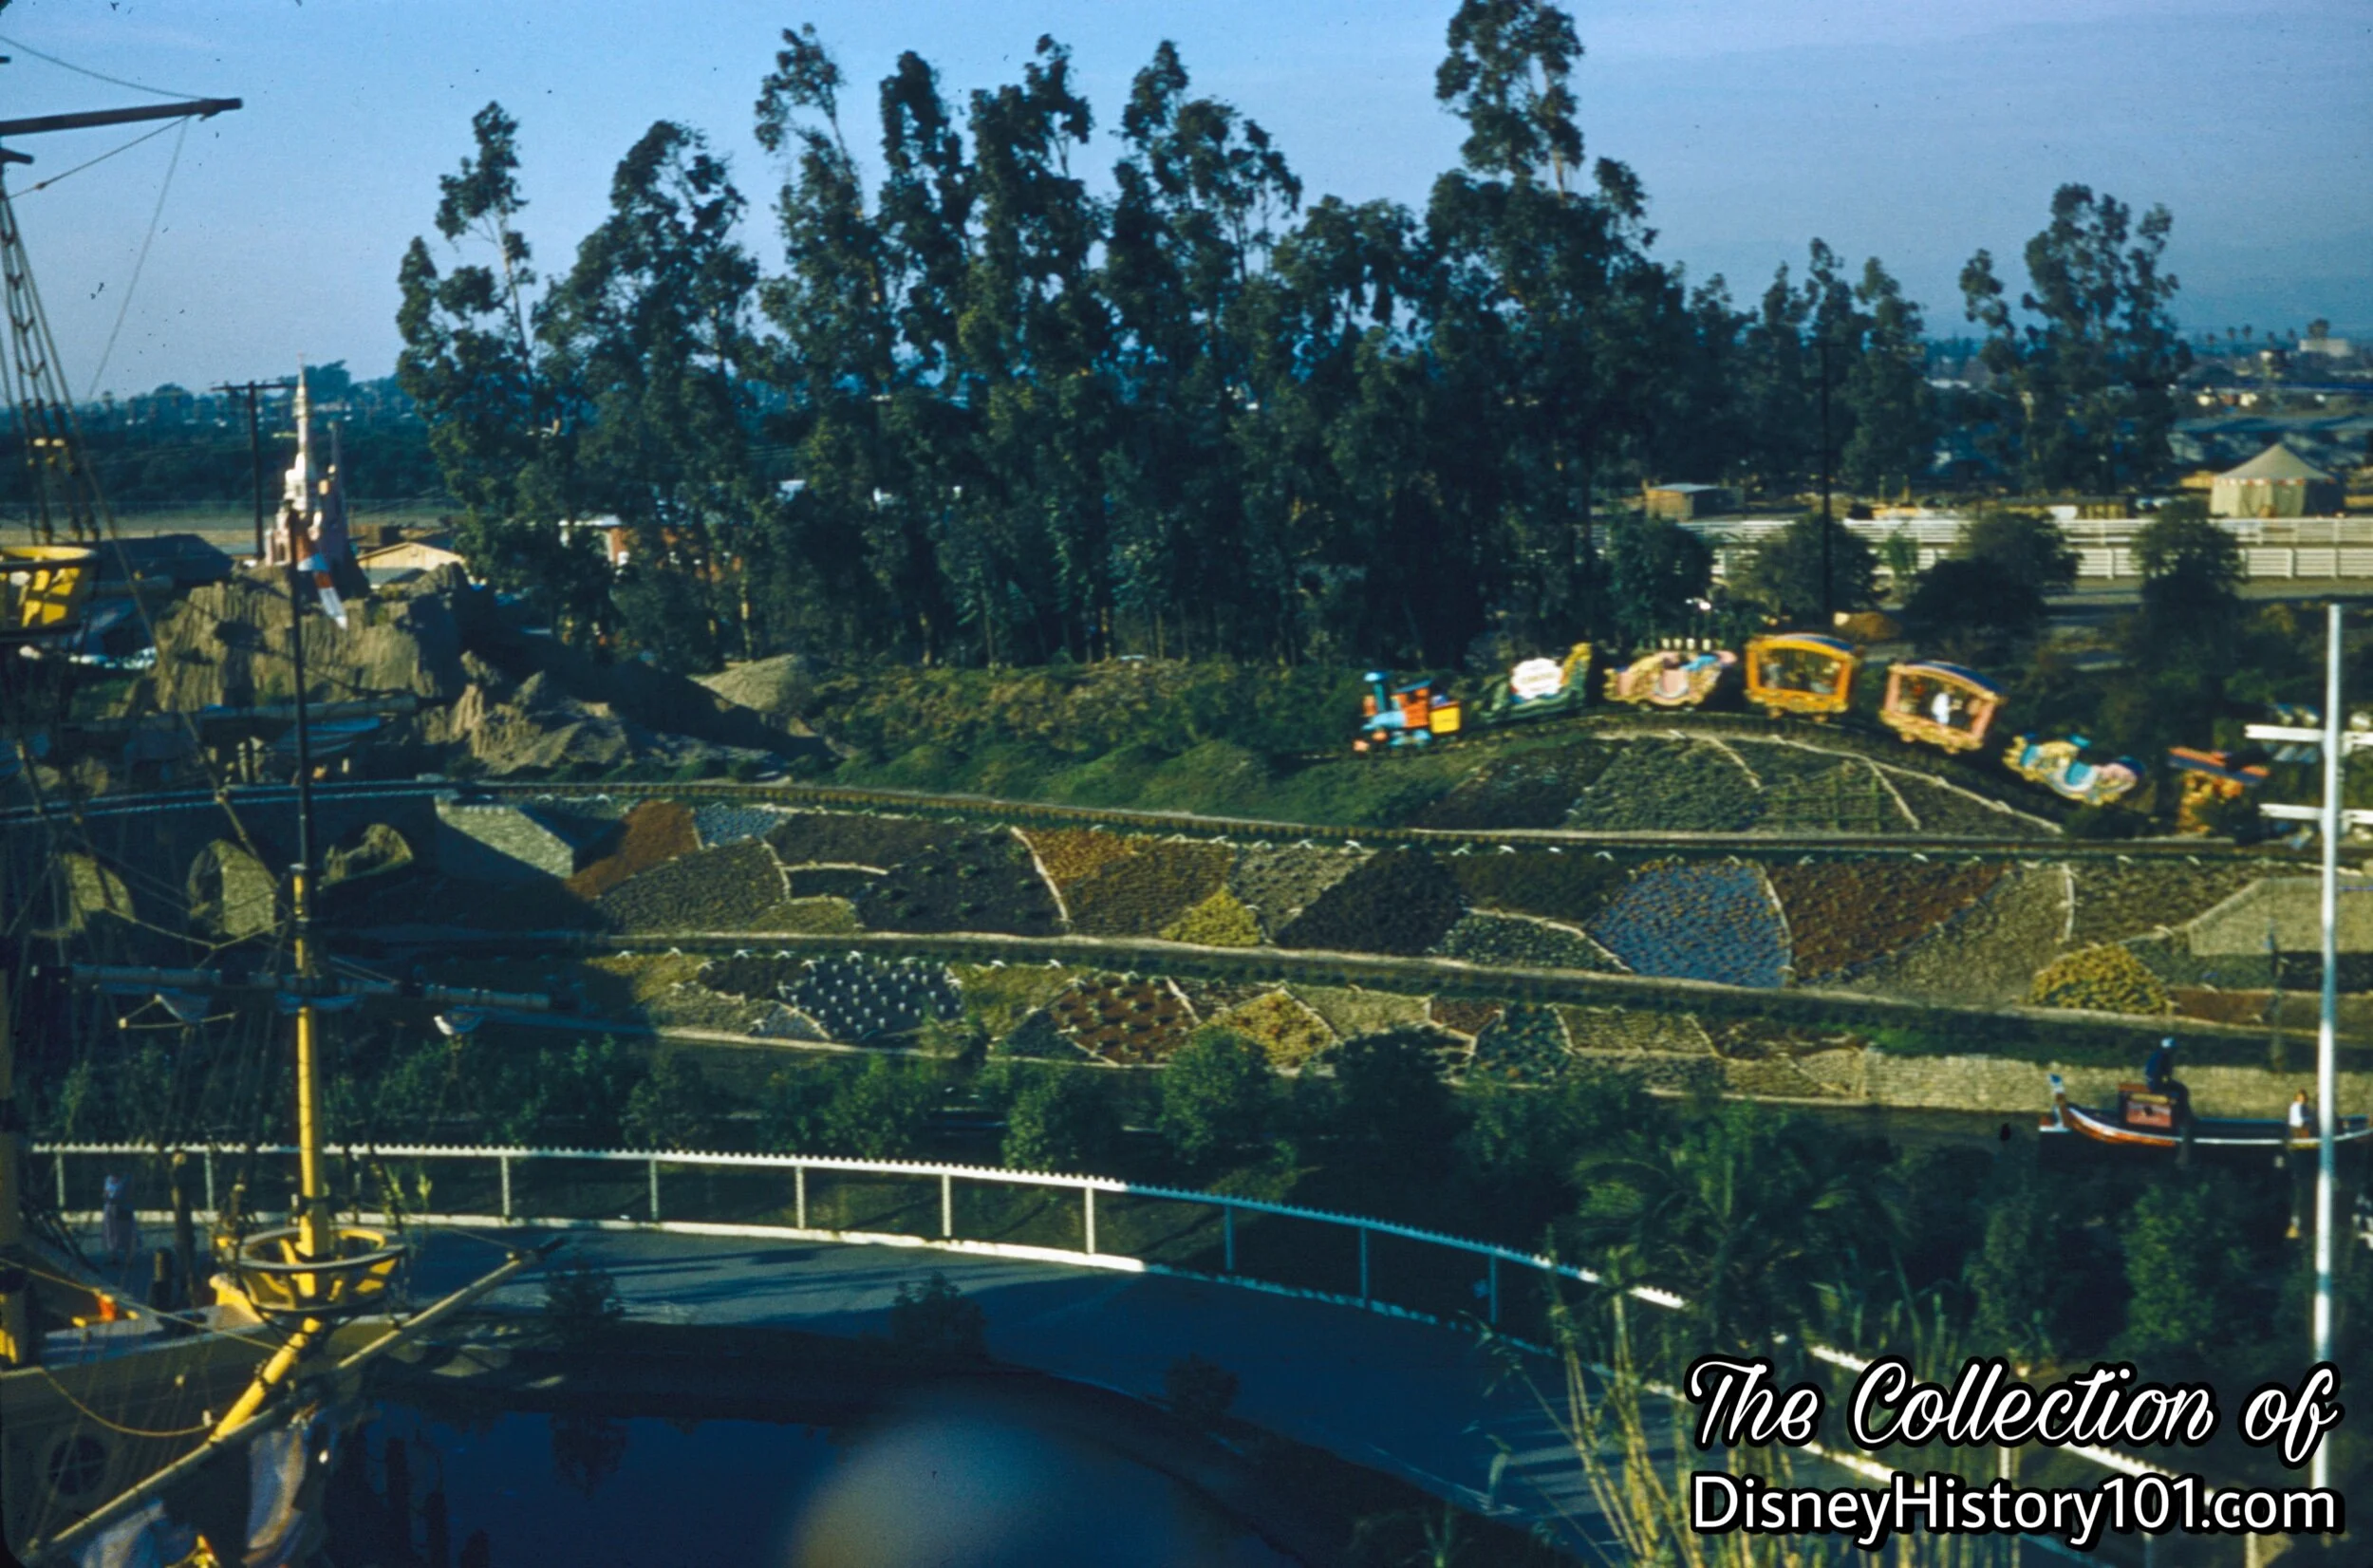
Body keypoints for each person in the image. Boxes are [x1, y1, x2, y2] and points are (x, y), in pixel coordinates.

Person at [101, 1173, 139, 1269]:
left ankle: (129, 1259)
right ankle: (113, 1256)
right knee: (111, 1233)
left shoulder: (127, 1178)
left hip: (123, 1208)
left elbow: (130, 1194)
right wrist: (106, 1196)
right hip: (110, 1209)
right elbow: (106, 1193)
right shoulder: (108, 1179)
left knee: (126, 1233)